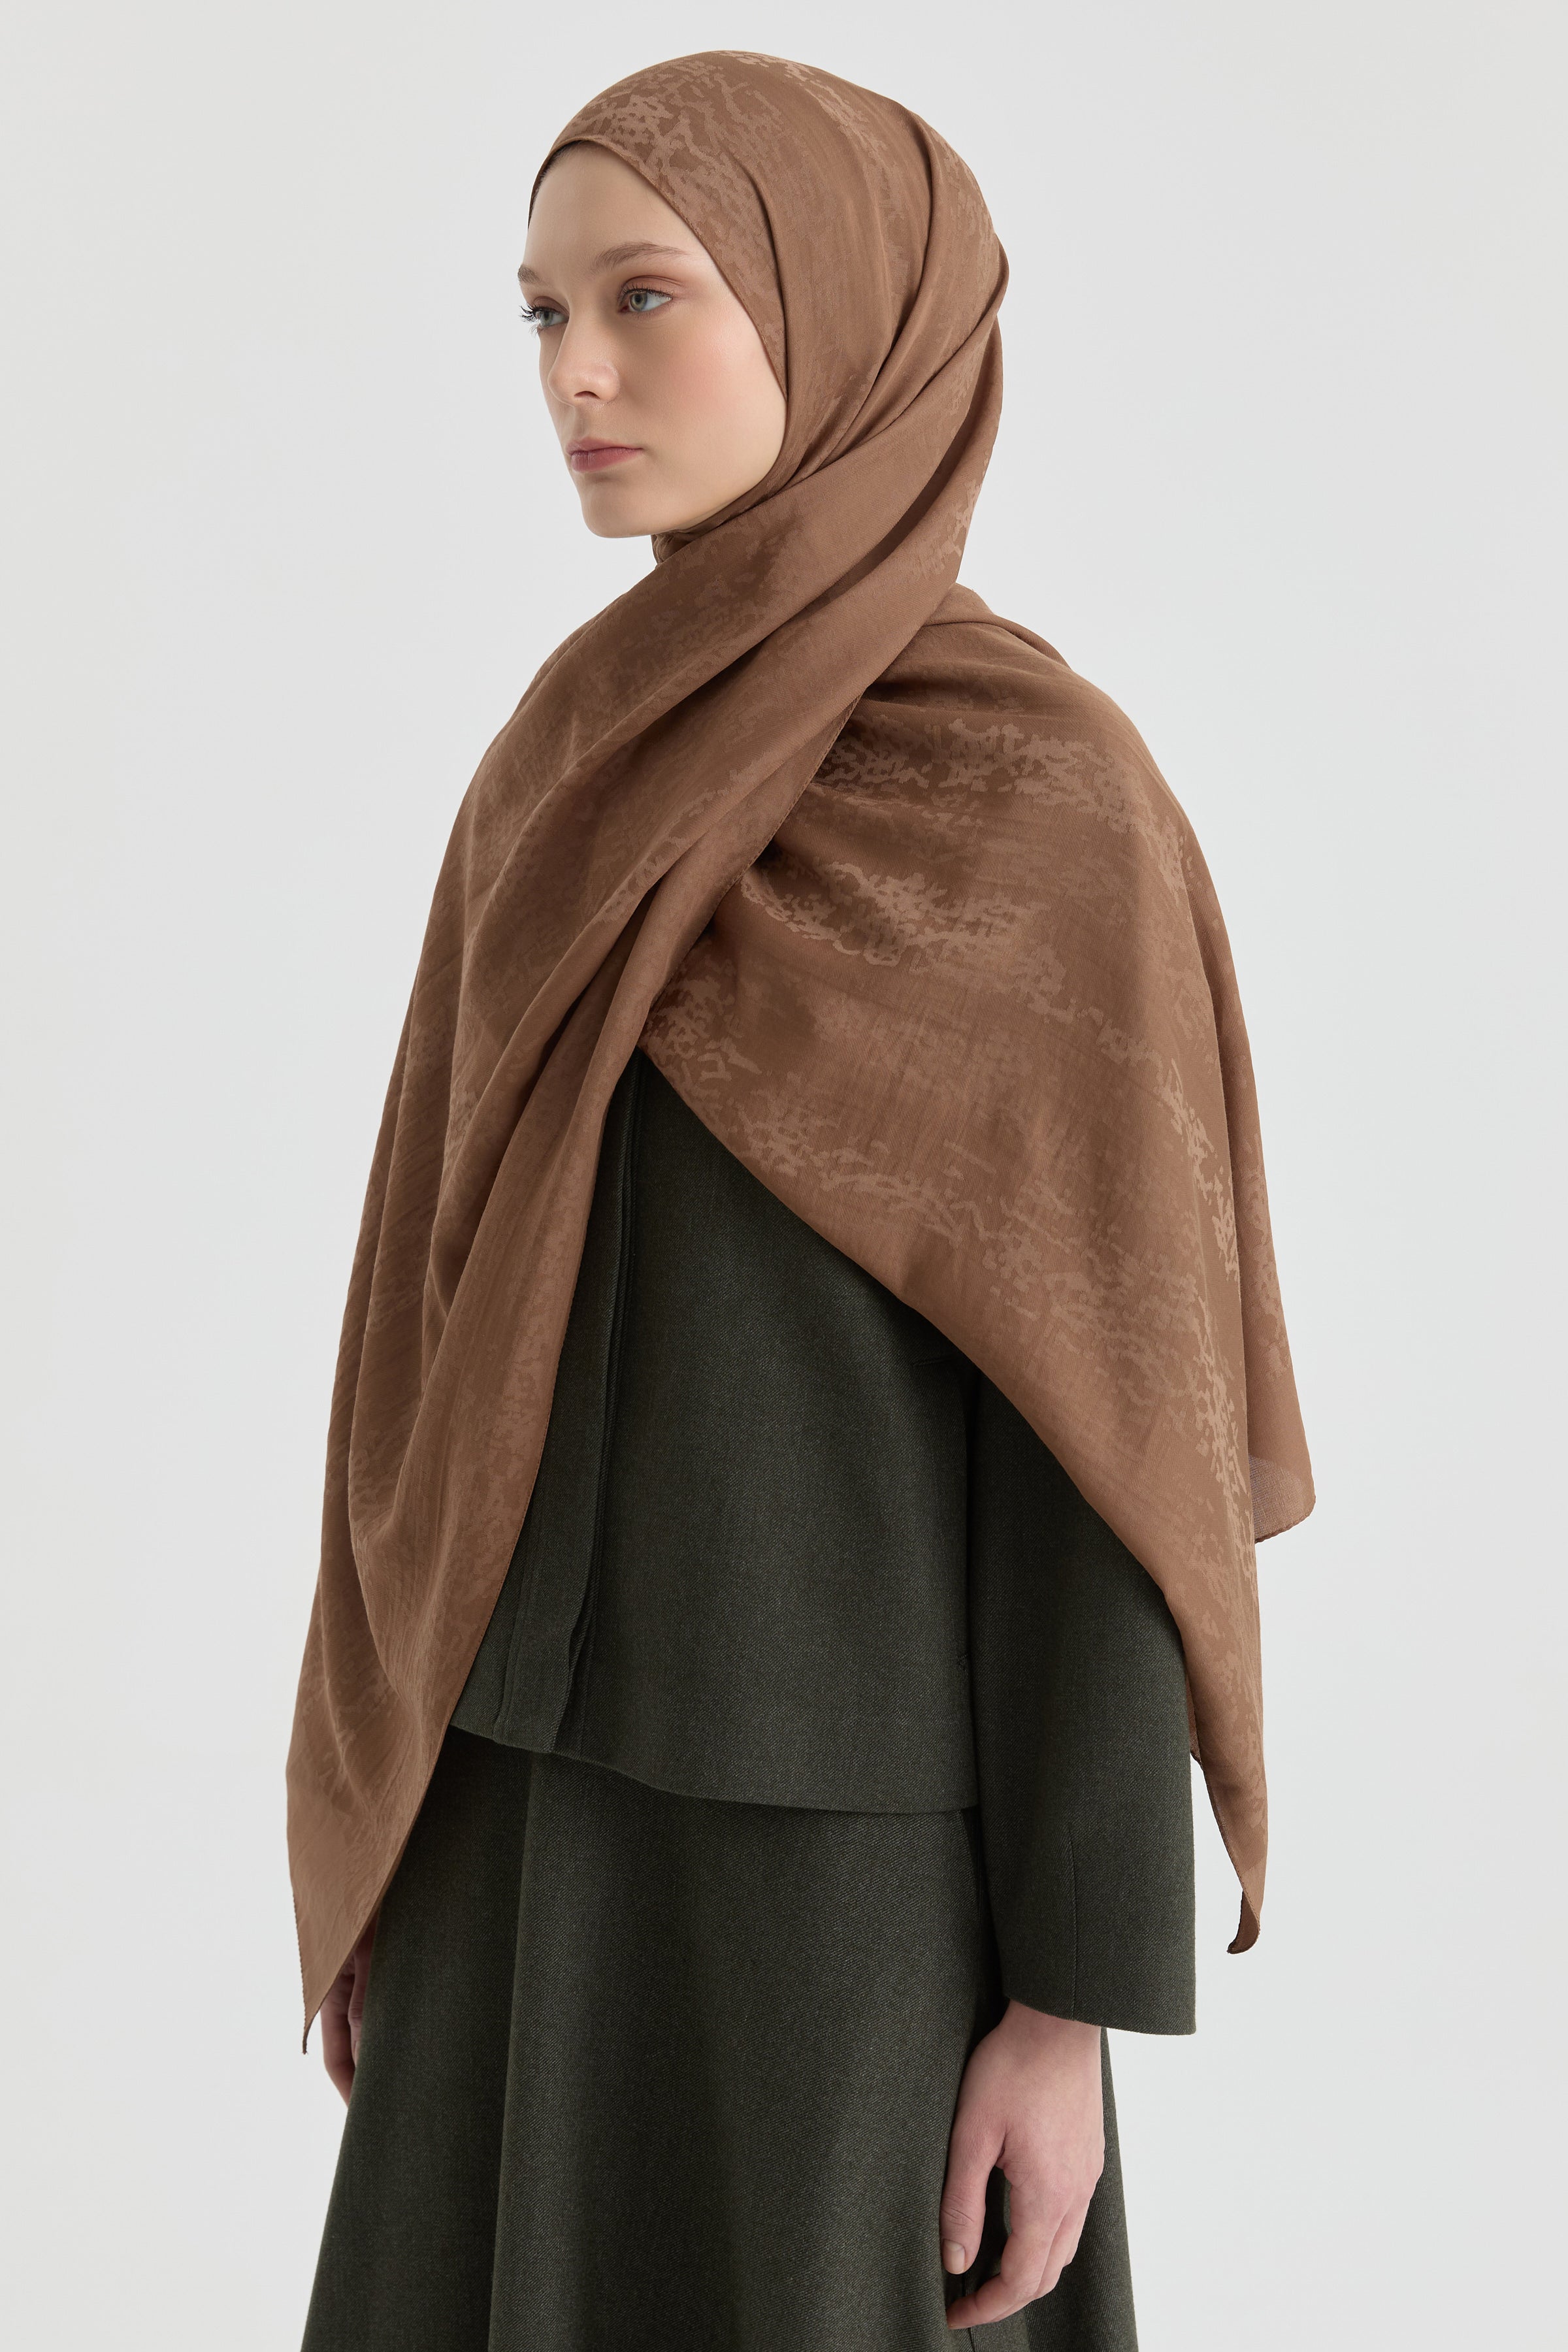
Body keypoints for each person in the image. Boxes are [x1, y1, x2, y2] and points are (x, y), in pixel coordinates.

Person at [289, 50, 1312, 2352]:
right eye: (540, 313)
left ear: (842, 313)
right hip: (506, 1838)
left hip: (851, 1912)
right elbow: (420, 1340)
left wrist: (1069, 2000)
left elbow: (1102, 1442)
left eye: (643, 298)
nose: (575, 374)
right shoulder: (562, 771)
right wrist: (379, 1815)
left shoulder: (1041, 803)